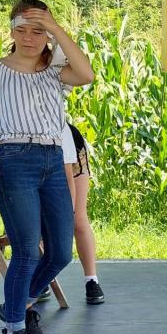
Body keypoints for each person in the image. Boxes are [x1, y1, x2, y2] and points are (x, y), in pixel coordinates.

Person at [0, 0, 94, 334]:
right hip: (14, 159)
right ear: (10, 31)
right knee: (25, 250)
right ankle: (14, 332)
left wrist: (55, 28)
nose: (29, 37)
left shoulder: (55, 71)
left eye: (38, 30)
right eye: (21, 29)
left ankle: (17, 307)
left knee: (60, 253)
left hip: (54, 160)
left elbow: (86, 75)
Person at [61, 121, 105, 304]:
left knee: (77, 220)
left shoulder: (63, 136)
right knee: (39, 223)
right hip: (36, 159)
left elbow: (68, 177)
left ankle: (91, 280)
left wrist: (66, 213)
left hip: (71, 155)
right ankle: (41, 281)